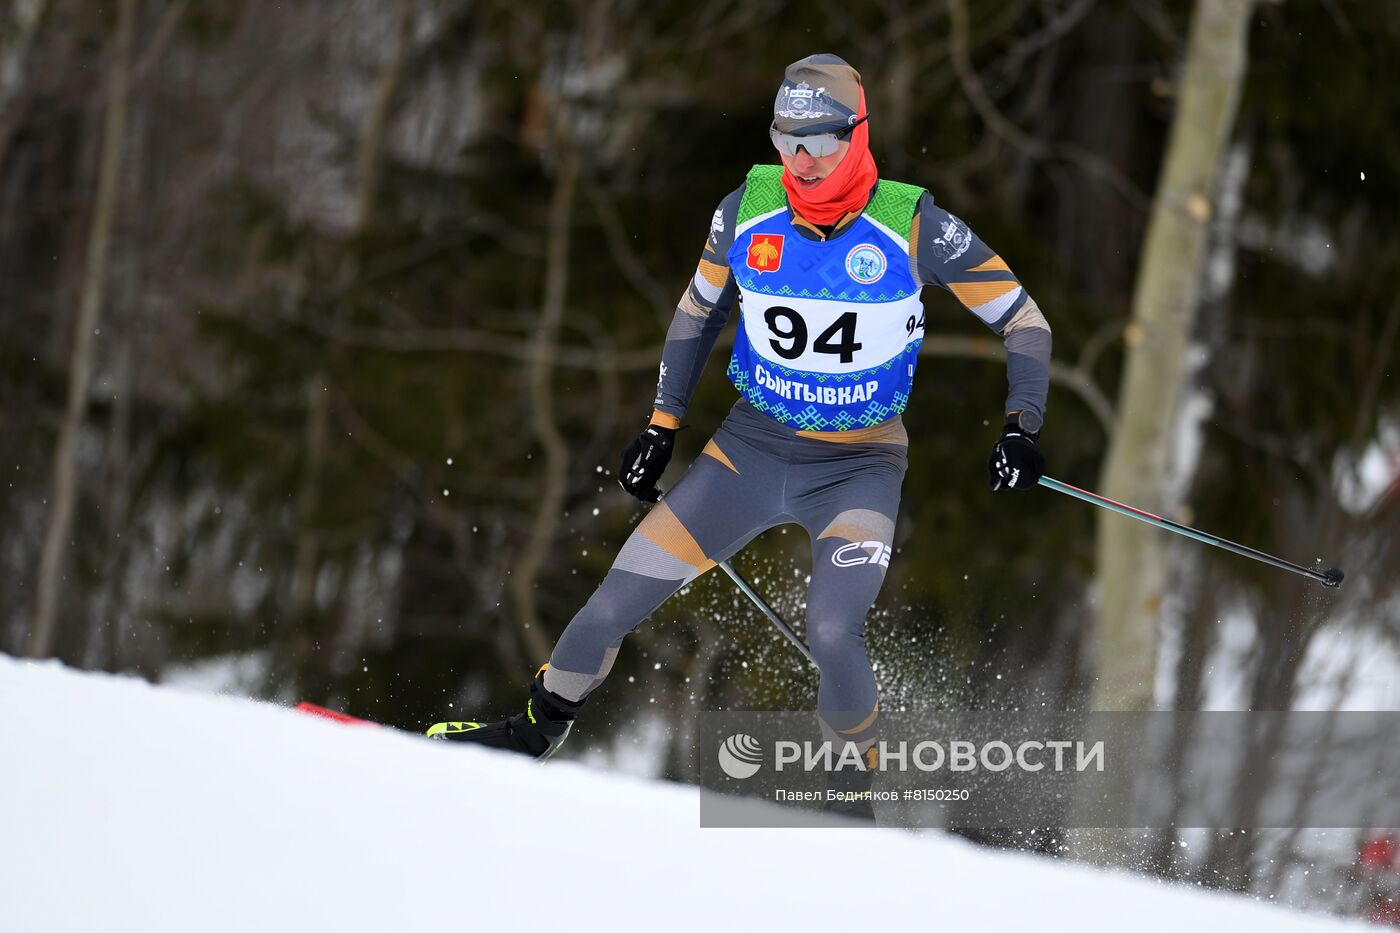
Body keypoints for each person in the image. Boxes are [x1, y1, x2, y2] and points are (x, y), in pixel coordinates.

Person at [428, 54, 1052, 776]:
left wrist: (1021, 425)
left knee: (832, 633)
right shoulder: (746, 211)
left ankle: (859, 777)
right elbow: (697, 313)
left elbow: (1024, 319)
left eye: (820, 142)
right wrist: (662, 426)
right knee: (604, 611)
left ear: (857, 134)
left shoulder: (913, 225)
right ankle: (532, 732)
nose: (802, 162)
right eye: (787, 141)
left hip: (858, 468)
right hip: (746, 457)